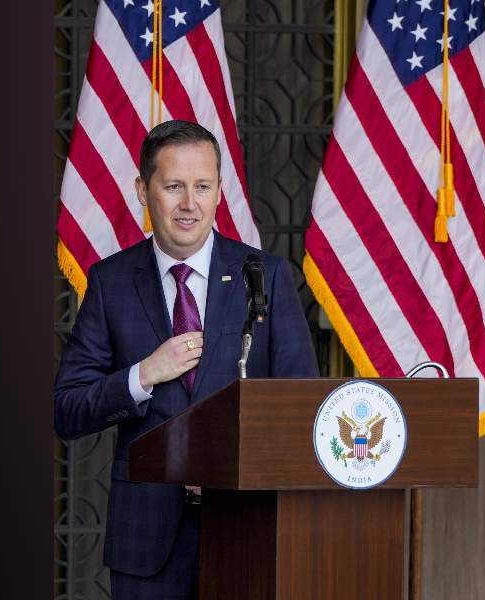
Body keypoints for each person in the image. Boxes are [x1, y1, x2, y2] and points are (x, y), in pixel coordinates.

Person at [54, 119, 318, 599]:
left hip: (248, 529)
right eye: (174, 186)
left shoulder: (266, 276)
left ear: (220, 190)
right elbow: (67, 409)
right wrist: (142, 375)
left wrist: (237, 469)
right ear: (143, 189)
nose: (189, 204)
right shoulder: (111, 283)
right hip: (145, 540)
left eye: (202, 186)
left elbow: (302, 410)